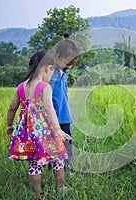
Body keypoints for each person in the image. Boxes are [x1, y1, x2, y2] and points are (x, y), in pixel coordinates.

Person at [6, 50, 72, 198]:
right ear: (48, 68)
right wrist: (58, 130)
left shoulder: (21, 87)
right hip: (45, 130)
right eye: (51, 72)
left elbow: (11, 108)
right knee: (57, 158)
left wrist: (9, 126)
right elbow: (49, 109)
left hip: (28, 132)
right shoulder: (44, 87)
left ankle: (37, 193)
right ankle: (60, 187)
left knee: (34, 164)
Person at [49, 32, 80, 171]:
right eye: (67, 63)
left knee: (67, 145)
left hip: (65, 116)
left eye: (71, 64)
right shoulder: (51, 73)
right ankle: (52, 169)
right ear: (57, 57)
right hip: (53, 118)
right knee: (52, 145)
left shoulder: (64, 72)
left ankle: (67, 169)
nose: (68, 67)